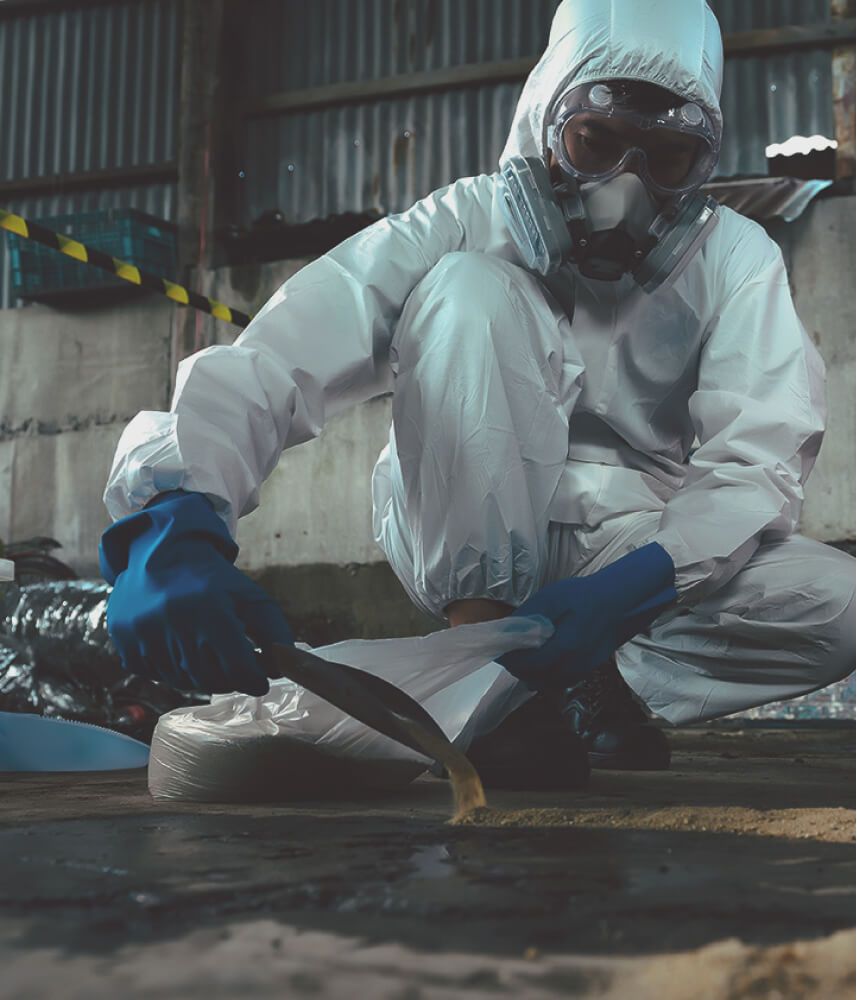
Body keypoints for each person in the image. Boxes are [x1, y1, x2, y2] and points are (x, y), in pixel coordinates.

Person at [100, 0, 854, 788]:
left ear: (700, 162)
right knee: (469, 289)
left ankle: (577, 684)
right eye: (594, 142)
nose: (623, 188)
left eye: (664, 157)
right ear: (544, 118)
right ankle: (494, 658)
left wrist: (638, 585)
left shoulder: (733, 256)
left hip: (637, 547)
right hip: (471, 527)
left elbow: (758, 456)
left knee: (835, 607)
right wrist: (175, 518)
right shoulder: (464, 220)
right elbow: (280, 356)